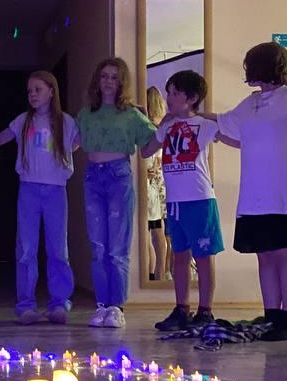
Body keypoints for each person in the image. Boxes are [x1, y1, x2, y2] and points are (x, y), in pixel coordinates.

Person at [212, 42, 287, 340]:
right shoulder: (249, 105)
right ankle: (273, 315)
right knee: (265, 258)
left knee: (284, 257)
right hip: (254, 197)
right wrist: (189, 116)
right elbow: (224, 123)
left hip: (285, 194)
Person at [76, 57, 156, 328]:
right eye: (104, 76)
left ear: (121, 82)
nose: (108, 81)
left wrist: (163, 127)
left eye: (114, 77)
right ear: (97, 81)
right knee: (98, 246)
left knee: (118, 247)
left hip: (118, 176)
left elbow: (149, 145)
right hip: (93, 177)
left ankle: (117, 306)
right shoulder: (86, 114)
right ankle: (102, 304)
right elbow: (72, 142)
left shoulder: (131, 115)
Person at [0, 71, 80, 324]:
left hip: (56, 190)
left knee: (58, 249)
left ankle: (59, 303)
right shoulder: (23, 121)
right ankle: (25, 305)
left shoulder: (66, 122)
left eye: (38, 89)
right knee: (26, 248)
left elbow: (82, 142)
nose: (32, 94)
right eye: (29, 90)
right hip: (29, 190)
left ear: (51, 91)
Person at [141, 71, 221, 331]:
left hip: (200, 199)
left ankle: (206, 310)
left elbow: (233, 133)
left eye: (175, 93)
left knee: (204, 256)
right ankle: (181, 308)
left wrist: (207, 116)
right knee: (179, 255)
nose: (169, 98)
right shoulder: (167, 125)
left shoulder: (205, 125)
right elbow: (146, 151)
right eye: (169, 92)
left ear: (192, 98)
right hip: (175, 202)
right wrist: (160, 124)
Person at [144, 86, 170, 280]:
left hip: (151, 186)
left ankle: (154, 274)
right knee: (158, 230)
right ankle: (159, 273)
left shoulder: (151, 130)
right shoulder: (162, 128)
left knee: (152, 231)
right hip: (160, 184)